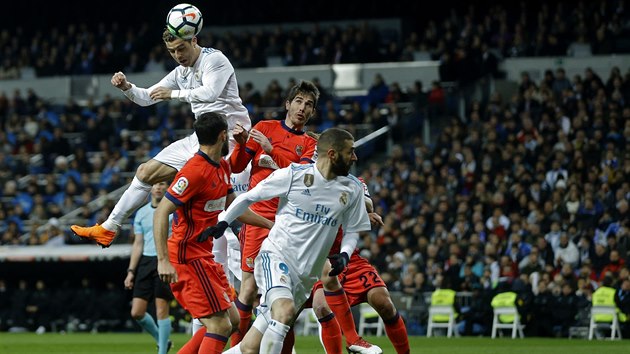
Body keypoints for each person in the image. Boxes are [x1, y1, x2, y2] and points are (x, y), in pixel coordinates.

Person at [71, 17, 251, 248]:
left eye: (181, 48)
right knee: (145, 172)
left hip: (229, 140)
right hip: (201, 139)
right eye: (172, 51)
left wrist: (173, 95)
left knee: (225, 220)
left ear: (194, 40)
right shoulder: (181, 73)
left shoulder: (214, 59)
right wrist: (127, 88)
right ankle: (109, 228)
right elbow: (147, 97)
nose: (177, 55)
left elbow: (211, 93)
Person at [203, 127, 371, 354]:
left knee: (250, 348)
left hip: (306, 276)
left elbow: (352, 230)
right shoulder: (295, 175)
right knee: (285, 311)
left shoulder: (352, 189)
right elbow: (250, 196)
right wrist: (224, 222)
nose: (355, 157)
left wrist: (345, 254)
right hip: (276, 257)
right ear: (332, 154)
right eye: (350, 151)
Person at [152, 112, 272, 354]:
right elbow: (160, 211)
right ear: (222, 135)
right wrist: (163, 260)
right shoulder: (194, 171)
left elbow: (235, 208)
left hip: (203, 257)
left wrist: (270, 225)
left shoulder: (223, 166)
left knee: (233, 320)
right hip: (187, 258)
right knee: (218, 325)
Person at [227, 80, 319, 345]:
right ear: (288, 104)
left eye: (309, 104)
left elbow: (303, 178)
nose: (302, 108)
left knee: (286, 296)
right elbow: (236, 167)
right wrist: (241, 144)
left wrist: (271, 150)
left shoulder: (310, 144)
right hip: (257, 220)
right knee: (248, 289)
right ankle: (238, 349)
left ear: (312, 112)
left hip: (289, 226)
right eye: (299, 102)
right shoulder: (264, 127)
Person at [309, 182, 410, 354]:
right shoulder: (310, 179)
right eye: (349, 153)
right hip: (318, 259)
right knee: (320, 307)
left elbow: (368, 204)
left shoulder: (354, 181)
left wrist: (359, 211)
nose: (353, 157)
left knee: (384, 302)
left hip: (352, 259)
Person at [124, 182, 173, 354]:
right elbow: (138, 243)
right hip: (145, 261)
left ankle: (162, 351)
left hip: (164, 260)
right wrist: (131, 271)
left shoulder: (173, 211)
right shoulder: (141, 213)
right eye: (155, 184)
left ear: (168, 187)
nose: (158, 187)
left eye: (162, 184)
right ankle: (163, 340)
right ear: (150, 189)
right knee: (137, 312)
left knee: (161, 309)